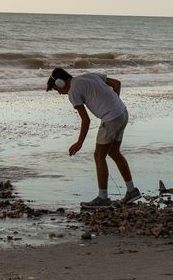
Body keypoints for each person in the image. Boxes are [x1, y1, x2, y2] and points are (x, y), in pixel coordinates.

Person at [48, 66, 140, 208]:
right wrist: (113, 104)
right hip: (122, 113)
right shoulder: (89, 76)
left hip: (110, 118)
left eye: (57, 89)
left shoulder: (73, 91)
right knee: (114, 152)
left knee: (99, 156)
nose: (59, 93)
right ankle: (131, 190)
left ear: (60, 83)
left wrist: (79, 142)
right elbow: (117, 83)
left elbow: (86, 120)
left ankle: (103, 198)